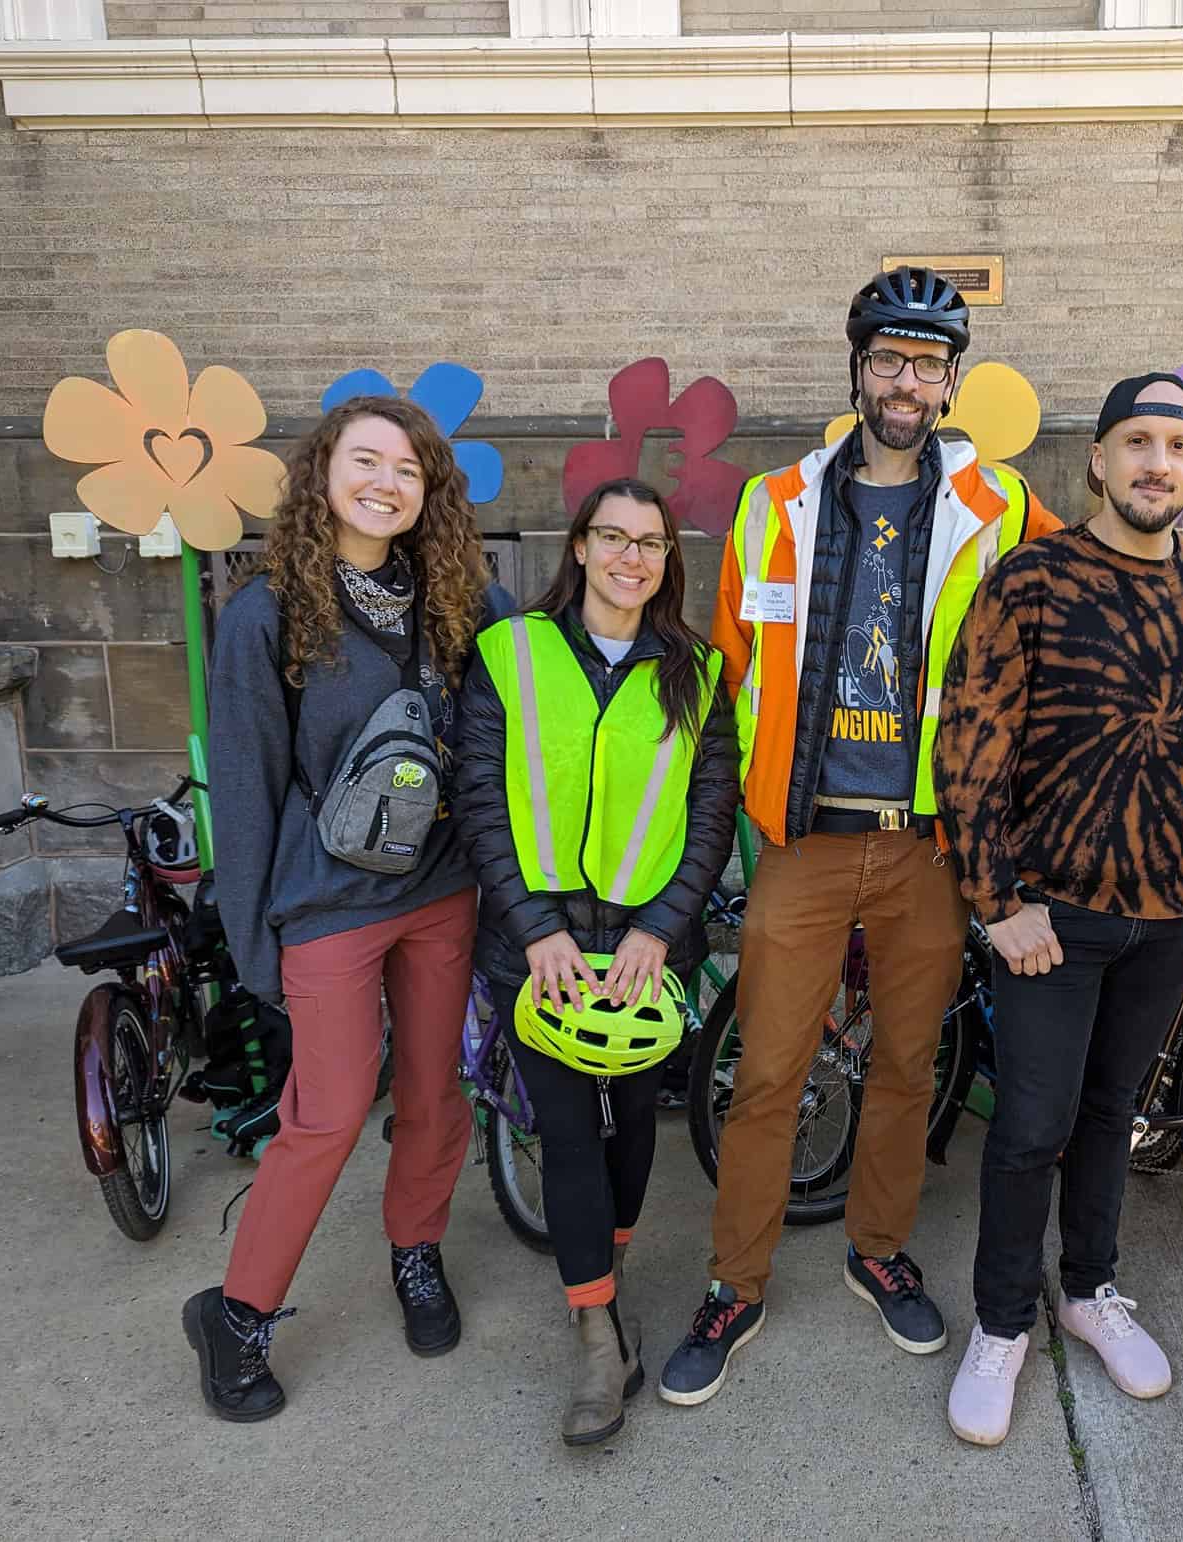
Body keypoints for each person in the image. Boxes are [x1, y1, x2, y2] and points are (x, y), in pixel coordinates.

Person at [658, 265, 1061, 1407]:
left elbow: (1073, 605)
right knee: (767, 1071)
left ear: (948, 381)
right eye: (886, 359)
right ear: (857, 367)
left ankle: (877, 1249)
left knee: (903, 1064)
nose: (904, 381)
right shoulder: (772, 503)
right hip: (803, 839)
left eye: (926, 364)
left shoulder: (1002, 503)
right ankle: (733, 1283)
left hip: (930, 843)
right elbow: (730, 664)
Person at [933, 373, 1183, 1446]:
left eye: (1177, 443)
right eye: (1136, 440)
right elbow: (969, 748)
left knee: (1107, 1117)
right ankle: (999, 1325)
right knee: (1028, 1126)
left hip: (1169, 916)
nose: (1155, 462)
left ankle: (1087, 1291)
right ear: (1096, 458)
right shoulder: (1027, 582)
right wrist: (997, 904)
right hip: (1050, 918)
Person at [182, 395, 515, 1422]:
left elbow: (517, 724)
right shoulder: (266, 610)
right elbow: (242, 788)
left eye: (409, 469)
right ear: (322, 472)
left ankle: (414, 1252)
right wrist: (251, 946)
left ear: (431, 492)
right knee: (323, 1117)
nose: (386, 482)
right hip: (326, 901)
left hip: (441, 893)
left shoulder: (460, 599)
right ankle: (236, 1315)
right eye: (366, 461)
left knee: (433, 1093)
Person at [452, 477, 738, 1445]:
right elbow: (480, 801)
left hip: (645, 950)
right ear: (576, 548)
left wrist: (659, 929)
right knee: (569, 1132)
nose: (630, 557)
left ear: (668, 560)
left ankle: (601, 1285)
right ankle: (593, 1336)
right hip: (537, 951)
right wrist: (535, 932)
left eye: (649, 543)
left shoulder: (696, 673)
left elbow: (710, 817)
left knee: (629, 1129)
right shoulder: (509, 655)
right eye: (611, 537)